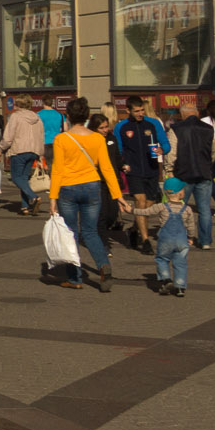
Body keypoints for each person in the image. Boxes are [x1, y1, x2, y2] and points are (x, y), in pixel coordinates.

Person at [48, 96, 123, 292]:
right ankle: (103, 266)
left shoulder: (61, 139)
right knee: (90, 232)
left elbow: (57, 170)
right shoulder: (98, 138)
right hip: (92, 186)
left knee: (70, 233)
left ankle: (75, 278)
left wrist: (53, 197)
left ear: (68, 116)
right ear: (88, 116)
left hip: (68, 188)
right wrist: (118, 195)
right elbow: (107, 169)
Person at [124, 181, 194, 297]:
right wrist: (190, 237)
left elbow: (145, 212)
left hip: (166, 240)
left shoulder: (161, 207)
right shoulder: (187, 209)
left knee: (162, 259)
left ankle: (166, 279)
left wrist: (131, 210)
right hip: (181, 240)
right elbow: (191, 225)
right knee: (181, 263)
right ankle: (180, 288)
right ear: (180, 194)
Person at [170, 100, 215, 251]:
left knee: (179, 208)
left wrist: (169, 170)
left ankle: (181, 238)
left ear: (182, 115)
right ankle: (205, 241)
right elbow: (213, 152)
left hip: (183, 174)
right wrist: (207, 165)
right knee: (204, 209)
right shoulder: (209, 129)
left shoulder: (176, 129)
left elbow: (172, 153)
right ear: (197, 113)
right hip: (204, 173)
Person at [113, 96, 169, 211]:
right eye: (137, 111)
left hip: (151, 169)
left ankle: (137, 223)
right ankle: (142, 229)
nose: (140, 113)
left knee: (151, 201)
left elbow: (166, 144)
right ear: (128, 111)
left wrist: (162, 150)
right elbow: (118, 150)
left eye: (142, 110)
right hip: (133, 169)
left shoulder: (153, 123)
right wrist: (122, 164)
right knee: (140, 200)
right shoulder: (121, 126)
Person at [1, 96, 48, 216]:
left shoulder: (16, 117)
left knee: (17, 178)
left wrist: (0, 148)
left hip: (19, 150)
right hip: (34, 151)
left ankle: (34, 197)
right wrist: (40, 155)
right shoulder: (37, 118)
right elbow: (41, 136)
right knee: (24, 179)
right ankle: (24, 207)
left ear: (18, 105)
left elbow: (8, 136)